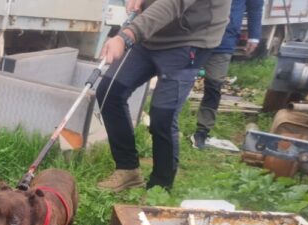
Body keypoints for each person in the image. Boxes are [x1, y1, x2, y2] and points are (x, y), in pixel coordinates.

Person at [96, 0, 233, 191]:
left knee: (163, 116)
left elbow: (173, 3)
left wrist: (127, 35)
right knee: (110, 91)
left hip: (189, 38)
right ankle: (128, 169)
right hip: (151, 34)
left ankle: (160, 187)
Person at [192, 0, 264, 149]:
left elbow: (255, 6)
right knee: (179, 80)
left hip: (224, 40)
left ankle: (202, 131)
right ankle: (165, 125)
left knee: (214, 85)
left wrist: (254, 36)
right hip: (193, 36)